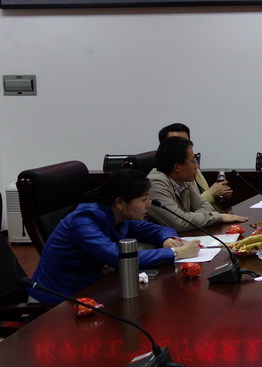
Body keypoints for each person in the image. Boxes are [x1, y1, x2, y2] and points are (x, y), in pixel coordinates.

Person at [29, 169, 199, 304]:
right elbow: (119, 257)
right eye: (143, 200)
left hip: (93, 289)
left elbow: (160, 230)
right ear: (119, 202)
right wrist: (176, 253)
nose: (149, 205)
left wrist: (167, 240)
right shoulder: (84, 220)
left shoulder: (121, 216)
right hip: (57, 300)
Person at [146, 136, 248, 231]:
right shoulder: (155, 184)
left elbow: (207, 207)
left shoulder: (182, 180)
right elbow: (179, 223)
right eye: (193, 161)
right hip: (155, 242)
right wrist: (219, 217)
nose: (197, 166)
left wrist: (189, 218)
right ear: (177, 167)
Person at [158, 122, 231, 211]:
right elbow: (183, 212)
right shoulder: (161, 179)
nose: (182, 145)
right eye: (176, 141)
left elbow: (202, 204)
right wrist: (211, 194)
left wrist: (219, 196)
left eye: (186, 141)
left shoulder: (191, 166)